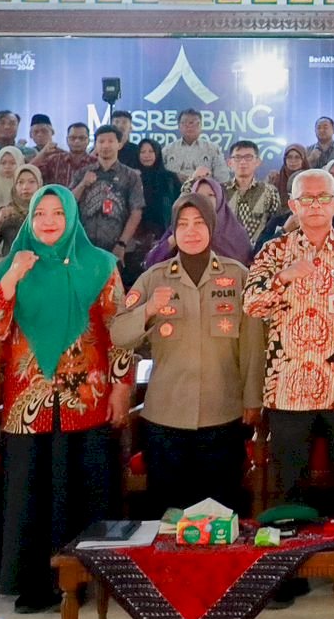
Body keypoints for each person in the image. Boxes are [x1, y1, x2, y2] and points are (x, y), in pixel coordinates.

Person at [0, 185, 133, 613]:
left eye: (57, 213)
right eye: (40, 213)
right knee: (31, 492)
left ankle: (85, 579)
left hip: (87, 401)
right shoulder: (11, 266)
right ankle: (33, 585)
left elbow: (120, 330)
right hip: (28, 403)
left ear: (71, 218)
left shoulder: (100, 264)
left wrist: (122, 386)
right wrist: (12, 278)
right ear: (29, 219)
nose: (48, 221)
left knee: (82, 488)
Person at [243, 169, 334, 603]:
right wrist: (283, 277)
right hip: (288, 389)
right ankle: (290, 573)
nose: (316, 205)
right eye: (307, 198)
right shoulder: (274, 251)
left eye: (324, 198)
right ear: (293, 205)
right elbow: (251, 304)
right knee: (289, 487)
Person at [112, 194, 263, 515]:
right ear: (173, 231)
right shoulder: (154, 277)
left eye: (198, 223)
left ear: (212, 227)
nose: (191, 231)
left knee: (220, 516)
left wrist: (253, 400)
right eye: (182, 225)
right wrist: (148, 309)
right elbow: (119, 334)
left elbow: (252, 345)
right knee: (169, 516)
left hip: (223, 417)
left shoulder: (239, 276)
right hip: (166, 419)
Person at [70, 125, 145, 269]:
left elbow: (136, 212)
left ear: (119, 144)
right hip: (84, 246)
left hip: (117, 247)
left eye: (110, 141)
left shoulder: (131, 176)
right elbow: (68, 203)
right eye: (101, 141)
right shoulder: (82, 173)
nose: (105, 146)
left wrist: (122, 244)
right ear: (95, 145)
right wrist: (83, 184)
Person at [146, 176, 254, 268]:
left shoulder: (236, 232)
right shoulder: (179, 226)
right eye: (199, 195)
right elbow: (151, 263)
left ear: (219, 198)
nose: (204, 200)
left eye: (210, 195)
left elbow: (246, 268)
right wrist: (176, 238)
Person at [220, 139, 284, 242]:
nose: (243, 162)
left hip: (259, 249)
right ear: (229, 163)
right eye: (237, 157)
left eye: (248, 157)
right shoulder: (219, 191)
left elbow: (275, 226)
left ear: (258, 162)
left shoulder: (270, 192)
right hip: (225, 249)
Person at [0, 164, 42, 261]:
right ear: (14, 186)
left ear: (39, 184)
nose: (25, 187)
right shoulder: (6, 213)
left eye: (31, 182)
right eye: (20, 182)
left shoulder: (47, 212)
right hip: (12, 267)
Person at [133, 138, 179, 257]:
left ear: (157, 153)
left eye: (151, 151)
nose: (146, 155)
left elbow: (178, 205)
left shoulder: (170, 178)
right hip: (135, 237)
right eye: (142, 152)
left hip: (166, 236)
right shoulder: (132, 178)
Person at [161, 108, 231, 185]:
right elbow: (160, 176)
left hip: (204, 191)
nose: (189, 126)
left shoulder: (212, 149)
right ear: (179, 126)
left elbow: (223, 179)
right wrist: (174, 177)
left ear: (201, 126)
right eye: (185, 123)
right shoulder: (167, 150)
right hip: (174, 191)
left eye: (194, 123)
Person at [31, 122, 96, 189]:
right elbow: (30, 172)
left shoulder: (95, 163)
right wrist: (43, 153)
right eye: (72, 138)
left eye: (81, 138)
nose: (77, 141)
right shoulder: (54, 160)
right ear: (67, 140)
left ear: (88, 140)